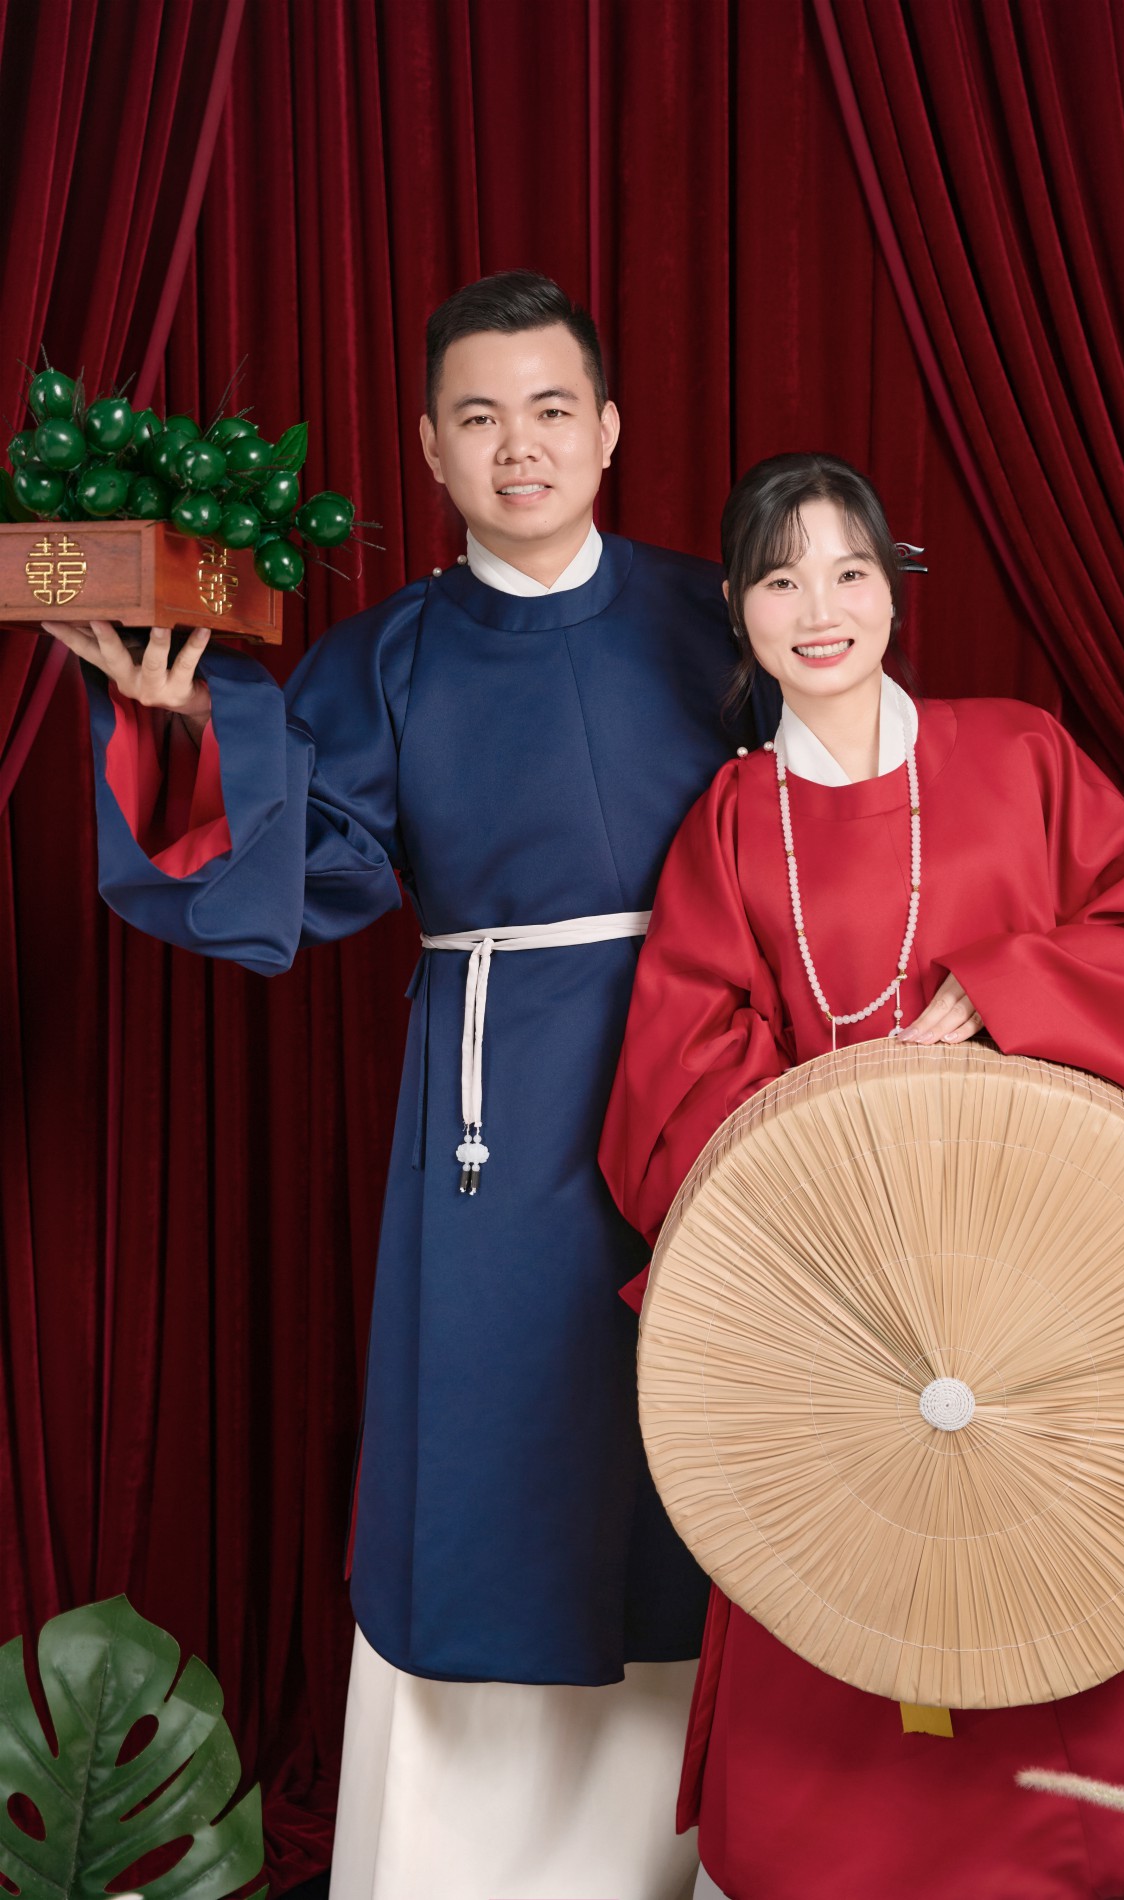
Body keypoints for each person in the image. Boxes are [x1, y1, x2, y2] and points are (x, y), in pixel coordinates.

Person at [42, 271, 773, 1900]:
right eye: (479, 416)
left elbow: (841, 809)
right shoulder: (387, 659)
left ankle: (719, 1854)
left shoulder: (720, 614)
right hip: (497, 1114)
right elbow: (299, 870)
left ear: (609, 429)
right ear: (431, 448)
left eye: (551, 410)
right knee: (509, 1444)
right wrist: (187, 725)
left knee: (711, 1444)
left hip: (719, 1093)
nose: (521, 448)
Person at [599, 452, 1124, 1900]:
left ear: (894, 586)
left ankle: (1082, 1854)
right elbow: (674, 1067)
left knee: (1051, 1565)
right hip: (836, 1288)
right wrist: (827, 1158)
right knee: (843, 1571)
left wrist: (1009, 986)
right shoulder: (733, 818)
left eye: (849, 572)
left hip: (1034, 1267)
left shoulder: (1019, 754)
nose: (820, 611)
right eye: (780, 581)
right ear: (737, 608)